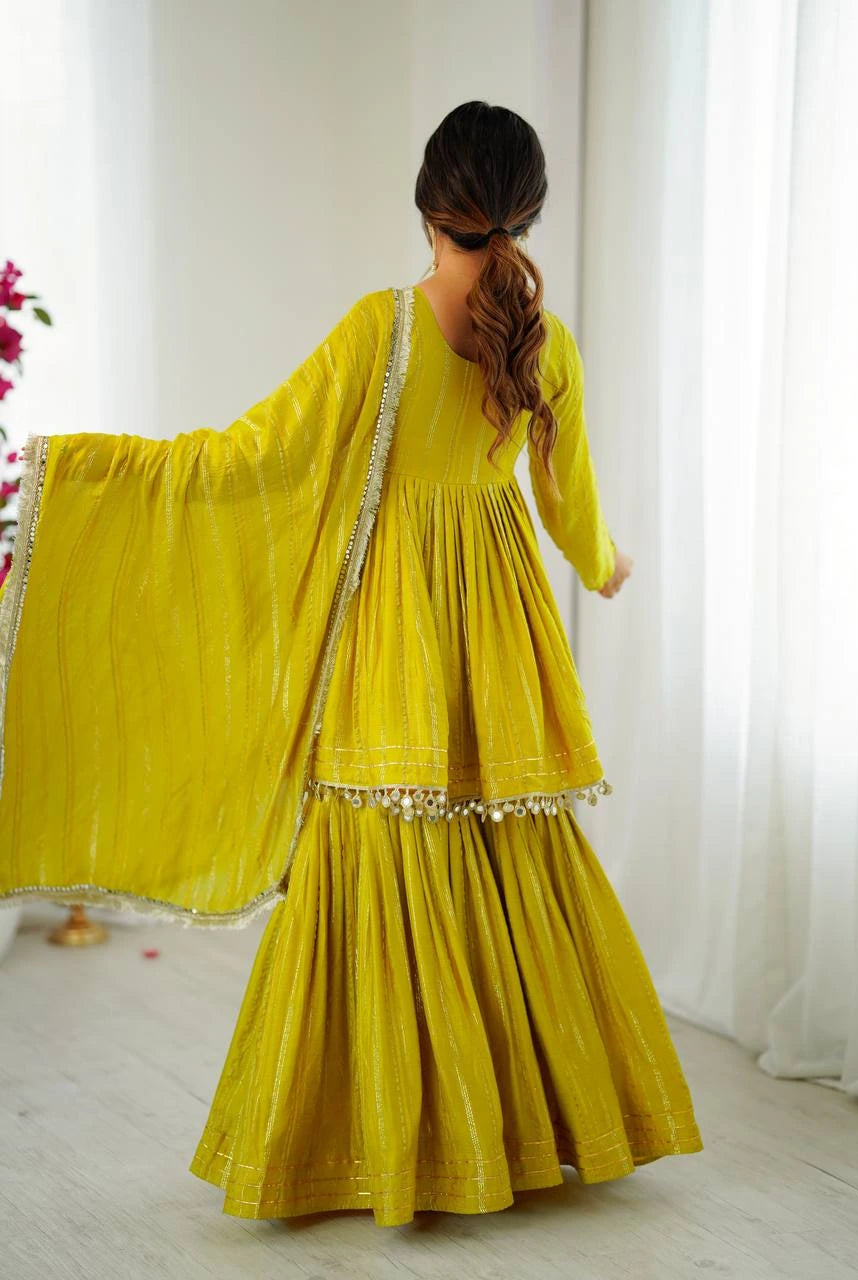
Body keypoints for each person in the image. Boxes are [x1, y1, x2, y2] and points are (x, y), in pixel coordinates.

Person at [0, 101, 702, 1228]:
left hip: (395, 632)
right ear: (525, 212)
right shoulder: (545, 339)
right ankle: (537, 1128)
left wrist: (82, 472)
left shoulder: (379, 329)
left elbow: (246, 459)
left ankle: (383, 1143)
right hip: (503, 623)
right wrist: (604, 561)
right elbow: (566, 505)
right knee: (510, 853)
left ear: (428, 207)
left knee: (377, 852)